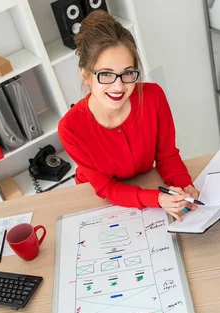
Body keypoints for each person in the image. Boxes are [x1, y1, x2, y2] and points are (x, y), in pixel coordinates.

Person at [58, 11, 199, 221]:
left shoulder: (153, 97)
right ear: (85, 74)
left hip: (145, 183)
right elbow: (106, 188)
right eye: (105, 74)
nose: (119, 86)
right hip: (98, 200)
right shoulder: (70, 128)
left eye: (127, 73)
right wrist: (158, 199)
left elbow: (166, 155)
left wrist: (185, 187)